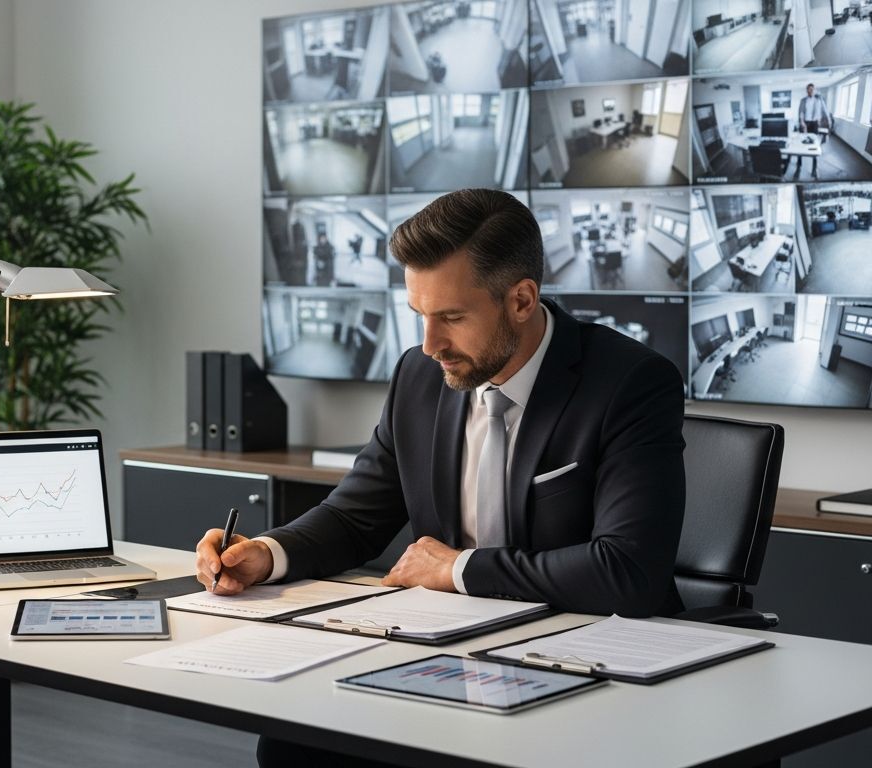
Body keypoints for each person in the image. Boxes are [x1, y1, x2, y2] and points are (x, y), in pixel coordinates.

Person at [193, 189, 687, 767]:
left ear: (521, 300)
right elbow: (354, 516)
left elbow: (627, 571)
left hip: (585, 661)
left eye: (451, 317)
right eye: (420, 316)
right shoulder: (419, 376)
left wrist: (457, 569)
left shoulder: (630, 383)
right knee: (292, 746)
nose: (430, 345)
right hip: (455, 651)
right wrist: (266, 553)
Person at [793, 83, 830, 179]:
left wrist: (825, 123)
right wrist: (802, 123)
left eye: (812, 89)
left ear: (814, 90)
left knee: (815, 145)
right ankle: (798, 166)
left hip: (815, 124)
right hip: (805, 123)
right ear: (807, 90)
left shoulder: (819, 100)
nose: (810, 91)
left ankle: (815, 168)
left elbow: (824, 112)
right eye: (809, 89)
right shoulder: (803, 100)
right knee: (800, 144)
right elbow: (800, 112)